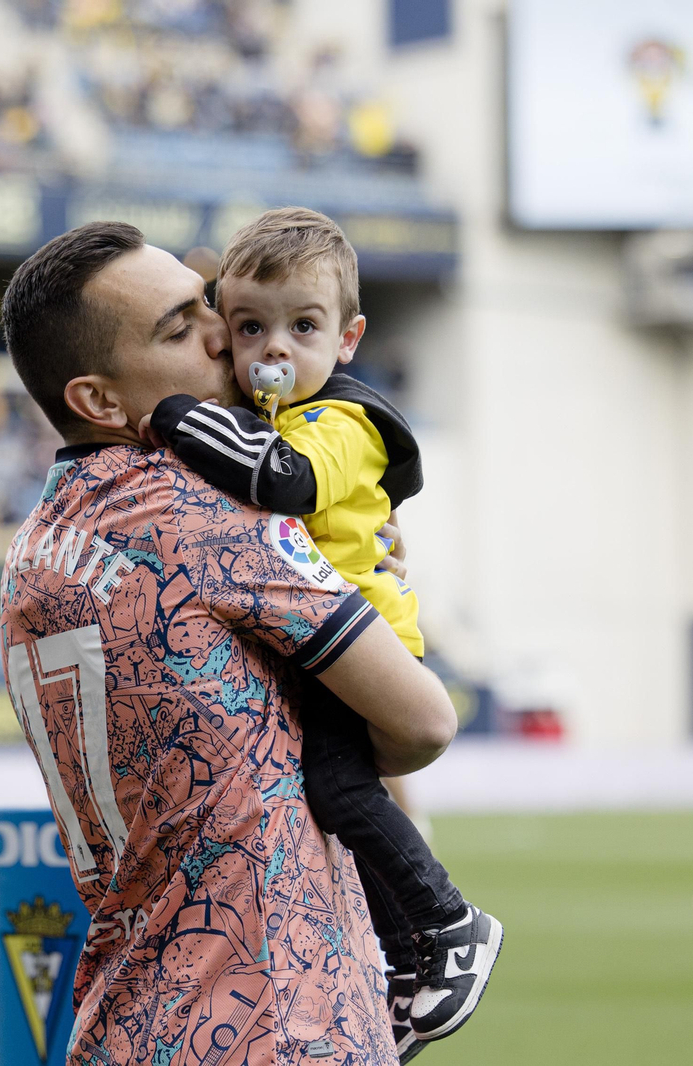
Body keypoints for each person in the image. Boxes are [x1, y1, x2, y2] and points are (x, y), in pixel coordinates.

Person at [0, 221, 465, 1065]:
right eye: (180, 328)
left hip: (126, 1019)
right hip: (274, 1018)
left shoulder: (35, 545)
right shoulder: (203, 517)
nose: (225, 336)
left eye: (208, 305)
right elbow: (422, 720)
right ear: (100, 401)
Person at [144, 207, 500, 1056]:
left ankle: (448, 922)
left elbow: (285, 481)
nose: (274, 350)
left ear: (348, 339)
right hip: (314, 641)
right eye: (250, 328)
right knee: (322, 801)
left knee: (339, 792)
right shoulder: (277, 412)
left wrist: (170, 411)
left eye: (302, 328)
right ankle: (403, 961)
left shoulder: (344, 422)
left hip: (362, 641)